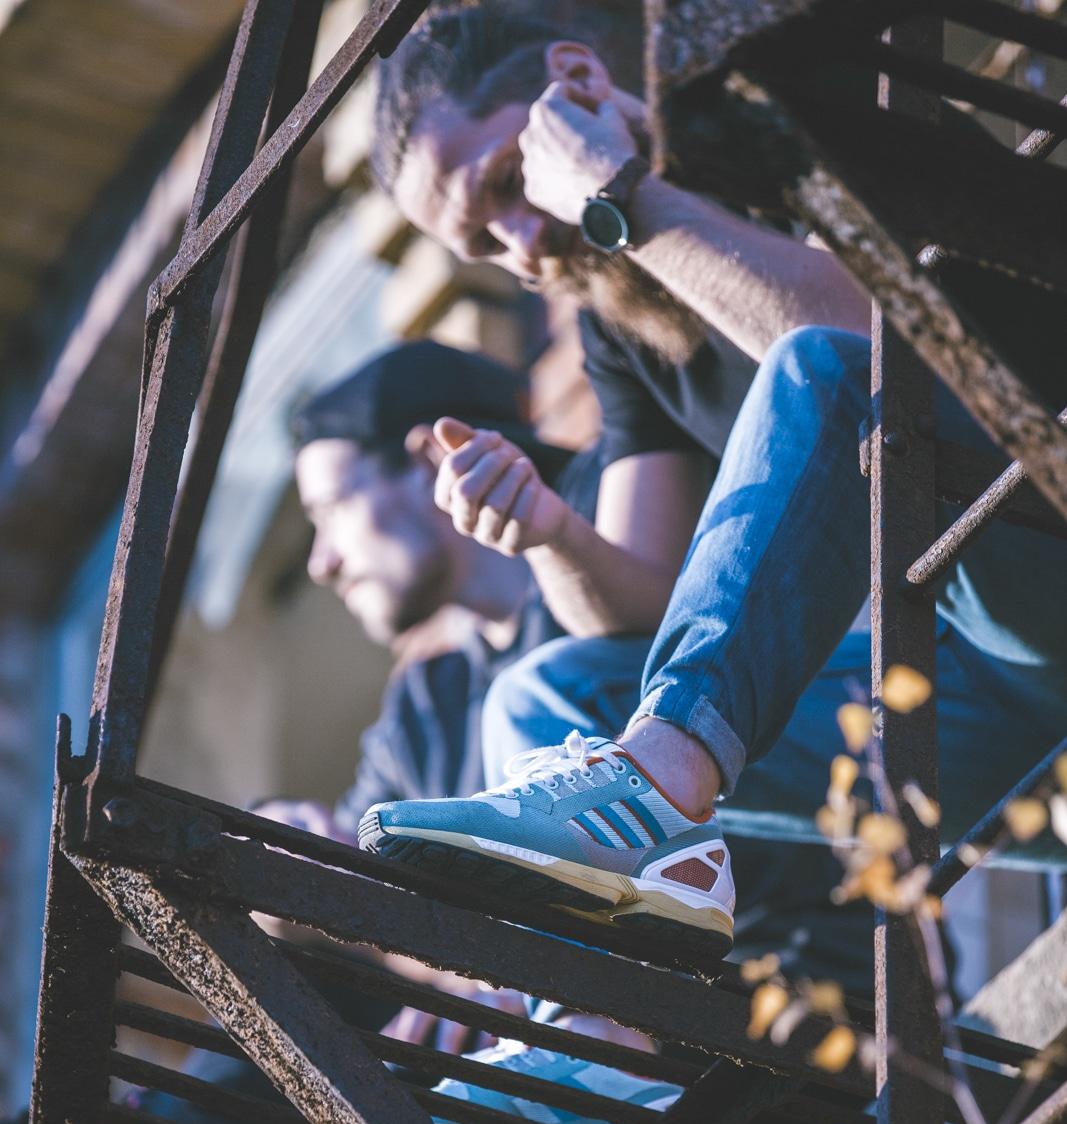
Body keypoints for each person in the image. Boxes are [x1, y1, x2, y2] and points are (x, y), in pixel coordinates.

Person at [360, 2, 1067, 956]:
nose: (523, 246)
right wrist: (550, 534)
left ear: (573, 85)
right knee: (545, 694)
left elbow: (882, 352)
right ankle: (596, 1047)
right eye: (485, 248)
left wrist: (619, 197)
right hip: (985, 688)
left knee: (819, 369)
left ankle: (657, 790)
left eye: (508, 184)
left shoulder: (776, 118)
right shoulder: (625, 327)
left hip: (1038, 532)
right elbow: (639, 606)